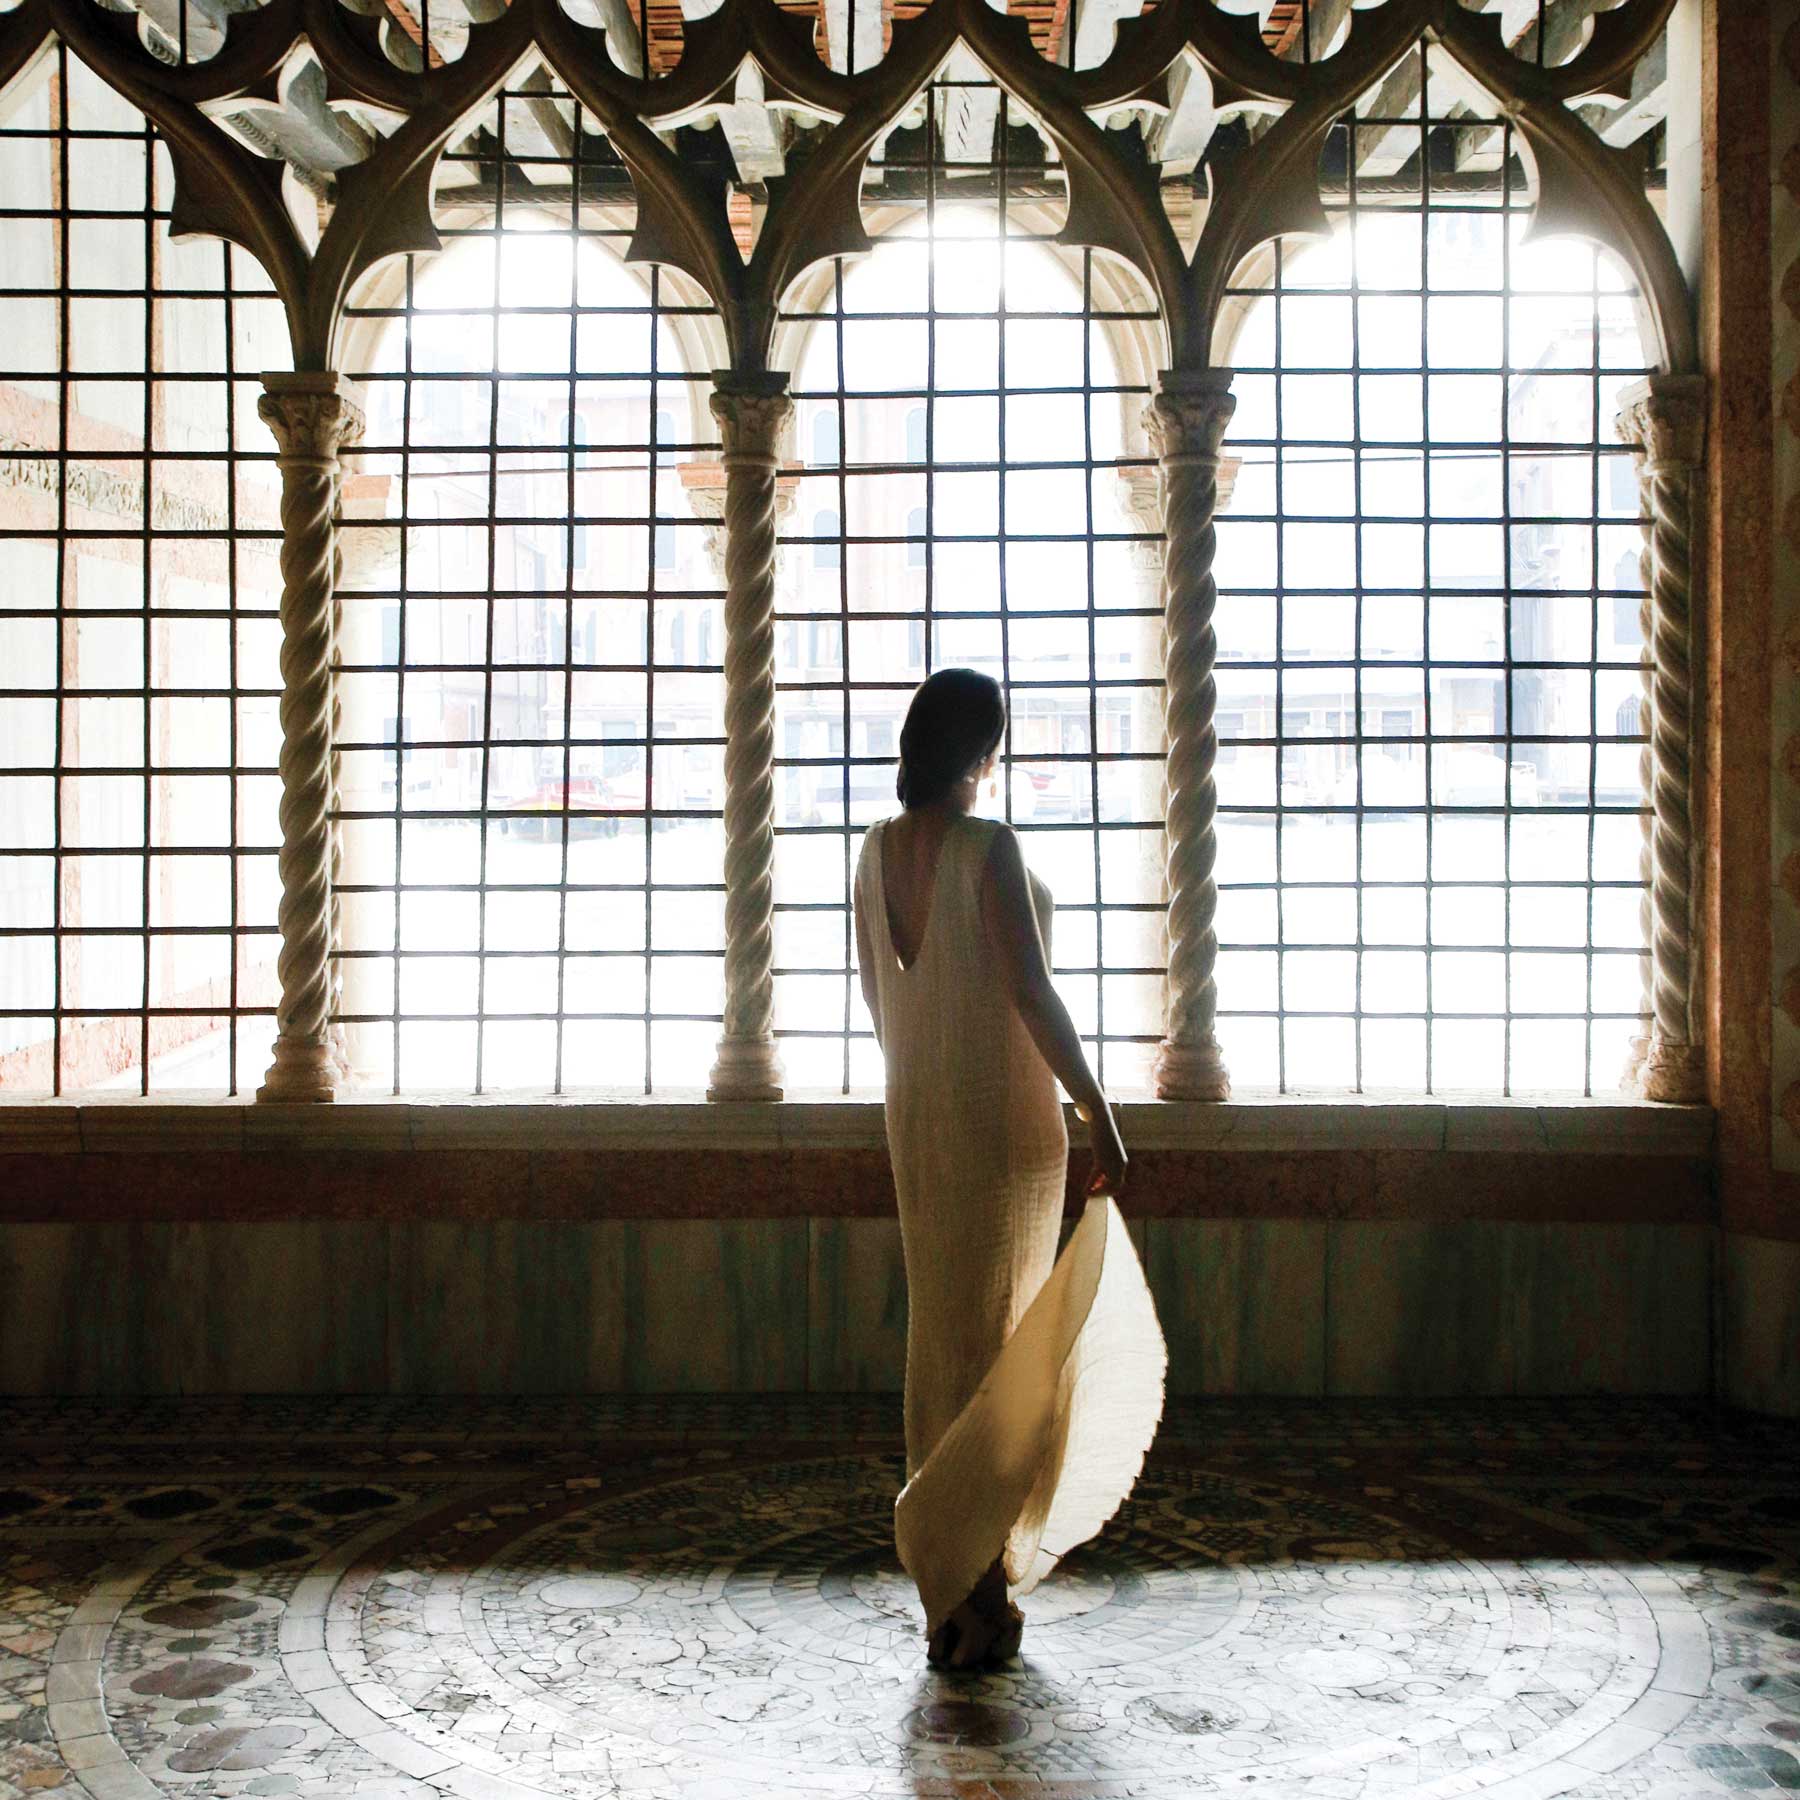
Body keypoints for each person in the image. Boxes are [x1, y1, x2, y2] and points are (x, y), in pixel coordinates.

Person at [853, 667, 1165, 1673]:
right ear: (981, 757)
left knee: (945, 1340)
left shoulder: (873, 854)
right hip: (1001, 1129)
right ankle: (973, 1583)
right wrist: (1100, 1114)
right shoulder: (988, 847)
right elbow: (1031, 993)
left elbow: (883, 1002)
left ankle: (955, 1581)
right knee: (998, 1348)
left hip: (922, 1119)